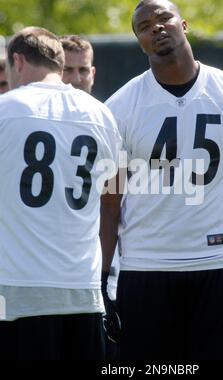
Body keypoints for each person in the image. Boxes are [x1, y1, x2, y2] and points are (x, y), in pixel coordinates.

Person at [101, 0, 223, 360]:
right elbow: (110, 202)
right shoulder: (121, 107)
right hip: (146, 268)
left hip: (217, 265)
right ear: (139, 42)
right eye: (144, 26)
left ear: (184, 25)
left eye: (164, 18)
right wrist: (100, 281)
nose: (156, 28)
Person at [0, 26, 121, 360]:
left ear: (18, 61)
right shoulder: (102, 116)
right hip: (82, 292)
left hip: (17, 294)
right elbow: (112, 195)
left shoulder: (5, 109)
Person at [61, 34, 120, 360]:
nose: (76, 79)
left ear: (93, 73)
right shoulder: (38, 120)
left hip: (102, 266)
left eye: (83, 70)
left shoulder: (107, 118)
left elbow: (113, 202)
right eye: (68, 70)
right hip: (54, 268)